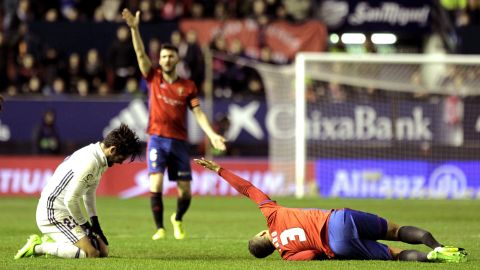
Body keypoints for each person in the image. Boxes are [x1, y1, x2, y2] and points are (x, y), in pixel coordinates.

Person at [194, 158, 468, 263]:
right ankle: (439, 245)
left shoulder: (287, 256)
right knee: (395, 230)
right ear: (262, 233)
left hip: (336, 245)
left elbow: (312, 254)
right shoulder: (272, 214)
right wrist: (219, 170)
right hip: (337, 218)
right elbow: (248, 189)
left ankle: (434, 260)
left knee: (395, 255)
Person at [121, 9, 226, 241]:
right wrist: (134, 29)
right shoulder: (153, 77)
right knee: (155, 183)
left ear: (177, 59)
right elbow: (139, 54)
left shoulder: (187, 86)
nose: (167, 59)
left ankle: (177, 218)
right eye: (164, 56)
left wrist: (212, 134)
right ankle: (159, 229)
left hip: (179, 142)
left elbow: (198, 113)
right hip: (157, 138)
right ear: (159, 60)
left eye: (171, 56)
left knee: (185, 191)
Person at [14, 123, 142, 259]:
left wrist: (95, 224)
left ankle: (58, 242)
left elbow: (89, 192)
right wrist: (85, 226)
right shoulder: (91, 162)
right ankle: (38, 246)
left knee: (103, 251)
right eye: (121, 158)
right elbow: (70, 200)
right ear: (112, 150)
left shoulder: (101, 158)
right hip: (52, 212)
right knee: (90, 254)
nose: (121, 162)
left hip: (66, 212)